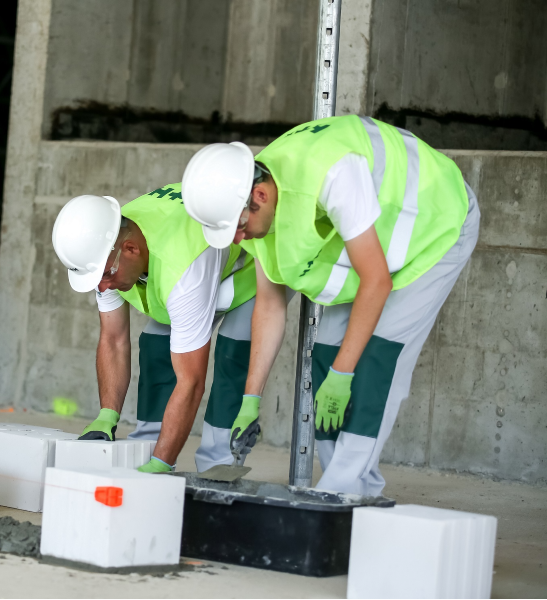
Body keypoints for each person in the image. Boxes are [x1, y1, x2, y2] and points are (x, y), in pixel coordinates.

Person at [182, 116, 479, 494]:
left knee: (377, 361)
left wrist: (344, 374)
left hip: (436, 225)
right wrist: (251, 399)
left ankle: (342, 491)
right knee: (325, 356)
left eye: (239, 227)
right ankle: (348, 487)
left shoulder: (333, 174)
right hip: (375, 246)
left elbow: (376, 282)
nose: (238, 238)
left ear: (259, 197)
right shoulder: (254, 193)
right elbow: (270, 307)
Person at [51, 175, 263, 473]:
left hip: (246, 272)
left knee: (232, 352)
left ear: (131, 250)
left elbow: (191, 382)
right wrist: (106, 416)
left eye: (105, 276)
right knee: (155, 347)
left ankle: (218, 464)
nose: (102, 287)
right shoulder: (106, 246)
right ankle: (146, 447)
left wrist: (163, 464)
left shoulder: (181, 268)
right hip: (183, 272)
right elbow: (113, 339)